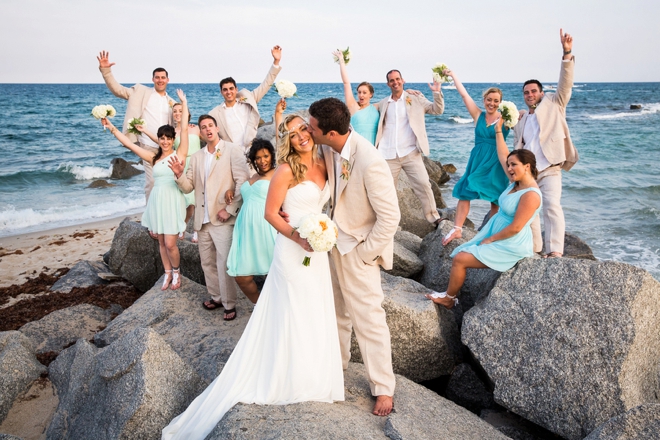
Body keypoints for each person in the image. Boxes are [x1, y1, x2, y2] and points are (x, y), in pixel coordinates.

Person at [162, 111, 344, 440]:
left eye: (304, 128)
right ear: (285, 140)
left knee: (314, 308)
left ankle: (315, 375)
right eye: (292, 133)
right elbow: (270, 213)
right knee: (291, 308)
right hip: (294, 249)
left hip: (317, 250)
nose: (301, 135)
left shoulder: (327, 160)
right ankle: (289, 377)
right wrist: (300, 237)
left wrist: (321, 233)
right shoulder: (286, 169)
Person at [308, 97, 401, 416]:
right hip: (331, 241)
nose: (309, 129)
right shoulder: (327, 146)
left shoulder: (370, 161)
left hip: (357, 248)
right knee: (336, 312)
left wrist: (364, 253)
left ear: (330, 132)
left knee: (370, 319)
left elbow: (391, 217)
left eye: (313, 126)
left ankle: (383, 388)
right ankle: (339, 366)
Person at [427, 141, 542, 309]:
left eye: (514, 165)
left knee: (460, 259)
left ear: (527, 166)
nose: (509, 169)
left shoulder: (530, 194)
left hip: (511, 242)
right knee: (460, 252)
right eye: (508, 165)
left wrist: (491, 239)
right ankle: (450, 294)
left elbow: (516, 227)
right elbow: (502, 155)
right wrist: (498, 132)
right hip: (498, 234)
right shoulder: (515, 184)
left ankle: (449, 299)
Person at [102, 90, 190, 291]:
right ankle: (167, 274)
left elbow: (184, 129)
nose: (165, 141)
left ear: (172, 139)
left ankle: (177, 272)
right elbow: (129, 145)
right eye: (162, 138)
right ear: (158, 139)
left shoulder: (180, 154)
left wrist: (184, 103)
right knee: (160, 242)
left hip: (172, 200)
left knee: (170, 244)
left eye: (169, 138)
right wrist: (112, 128)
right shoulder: (153, 157)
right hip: (157, 201)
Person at [169, 115, 250, 321]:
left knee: (224, 263)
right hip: (201, 221)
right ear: (201, 133)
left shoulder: (232, 150)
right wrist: (178, 175)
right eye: (203, 127)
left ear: (216, 128)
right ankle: (216, 297)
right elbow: (189, 186)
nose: (207, 129)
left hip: (222, 218)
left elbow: (242, 181)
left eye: (210, 126)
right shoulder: (196, 157)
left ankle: (230, 303)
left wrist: (230, 209)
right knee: (207, 263)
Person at [513, 29, 579, 258]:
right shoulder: (522, 119)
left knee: (552, 207)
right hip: (529, 173)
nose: (530, 94)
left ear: (542, 93)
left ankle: (555, 251)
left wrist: (567, 53)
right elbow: (515, 143)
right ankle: (535, 249)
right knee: (529, 212)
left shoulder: (555, 103)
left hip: (550, 167)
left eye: (533, 91)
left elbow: (565, 83)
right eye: (526, 92)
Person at [441, 68, 511, 245]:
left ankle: (492, 233)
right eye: (489, 99)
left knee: (496, 199)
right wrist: (453, 75)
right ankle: (457, 229)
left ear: (500, 102)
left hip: (497, 162)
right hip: (478, 160)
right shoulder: (478, 115)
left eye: (496, 101)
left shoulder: (507, 119)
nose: (492, 103)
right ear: (484, 100)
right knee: (465, 191)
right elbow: (464, 96)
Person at [97, 51, 173, 202]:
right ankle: (151, 219)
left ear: (167, 80)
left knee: (168, 183)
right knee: (152, 183)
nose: (160, 80)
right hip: (148, 146)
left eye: (163, 77)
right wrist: (106, 71)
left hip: (167, 148)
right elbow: (117, 90)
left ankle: (165, 214)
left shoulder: (171, 102)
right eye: (157, 77)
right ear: (153, 79)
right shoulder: (140, 92)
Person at [375, 70, 443, 227]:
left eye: (397, 79)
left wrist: (437, 92)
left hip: (410, 152)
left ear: (403, 80)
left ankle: (434, 217)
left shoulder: (415, 98)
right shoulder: (384, 103)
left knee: (424, 184)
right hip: (387, 154)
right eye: (391, 80)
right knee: (387, 191)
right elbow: (366, 109)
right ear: (388, 84)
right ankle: (388, 222)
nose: (395, 82)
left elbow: (436, 110)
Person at [136, 102, 202, 242]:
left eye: (181, 111)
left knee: (197, 199)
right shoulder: (172, 131)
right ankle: (181, 226)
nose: (178, 113)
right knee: (185, 199)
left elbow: (209, 139)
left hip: (196, 163)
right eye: (175, 111)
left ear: (187, 114)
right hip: (179, 165)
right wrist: (145, 130)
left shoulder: (195, 128)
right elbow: (162, 142)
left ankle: (196, 230)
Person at [225, 138, 277, 304]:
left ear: (272, 156)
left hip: (267, 228)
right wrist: (230, 191)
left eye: (266, 156)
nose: (262, 161)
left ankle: (278, 310)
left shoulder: (277, 174)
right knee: (241, 277)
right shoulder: (253, 176)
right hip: (246, 232)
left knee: (274, 274)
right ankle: (260, 307)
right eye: (258, 158)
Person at [208, 46, 282, 152]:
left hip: (253, 150)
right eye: (225, 90)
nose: (229, 92)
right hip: (233, 154)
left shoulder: (248, 100)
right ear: (221, 92)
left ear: (236, 89)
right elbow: (209, 134)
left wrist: (276, 61)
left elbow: (266, 85)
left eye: (231, 88)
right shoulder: (214, 114)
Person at [332, 50, 379, 145]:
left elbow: (394, 99)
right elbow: (346, 83)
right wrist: (341, 61)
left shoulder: (377, 107)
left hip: (374, 149)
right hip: (356, 147)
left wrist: (406, 92)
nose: (361, 95)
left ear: (371, 94)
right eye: (359, 92)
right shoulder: (353, 106)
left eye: (364, 93)